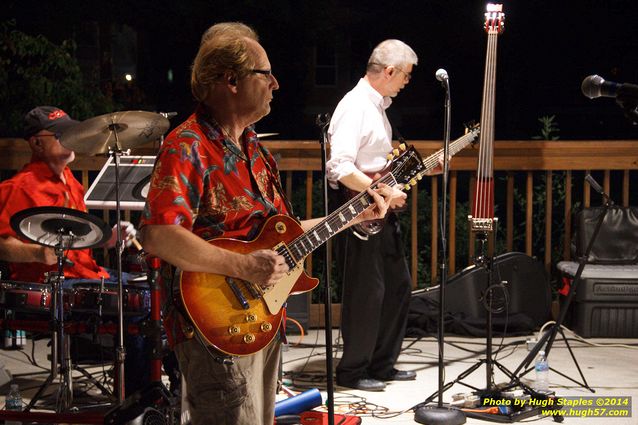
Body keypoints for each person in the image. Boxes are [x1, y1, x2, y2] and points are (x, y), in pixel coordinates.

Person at [139, 22, 393, 425]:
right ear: (231, 80)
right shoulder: (187, 145)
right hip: (211, 329)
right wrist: (244, 266)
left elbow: (285, 236)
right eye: (265, 73)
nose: (275, 83)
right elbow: (158, 235)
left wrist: (353, 215)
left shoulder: (255, 150)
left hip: (261, 318)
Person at [0, 106, 146, 395]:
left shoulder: (72, 183)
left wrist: (111, 238)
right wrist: (37, 254)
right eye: (59, 134)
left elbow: (83, 241)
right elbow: (2, 245)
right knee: (142, 305)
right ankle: (138, 394)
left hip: (86, 275)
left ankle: (151, 387)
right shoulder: (18, 187)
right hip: (54, 287)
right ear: (36, 143)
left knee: (156, 289)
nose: (70, 138)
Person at [326, 39, 440, 392]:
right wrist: (380, 192)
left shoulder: (377, 107)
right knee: (367, 293)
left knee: (397, 287)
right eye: (405, 75)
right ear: (389, 71)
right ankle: (352, 371)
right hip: (359, 212)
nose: (407, 81)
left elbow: (374, 161)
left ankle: (381, 364)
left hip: (380, 210)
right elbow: (339, 166)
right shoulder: (355, 106)